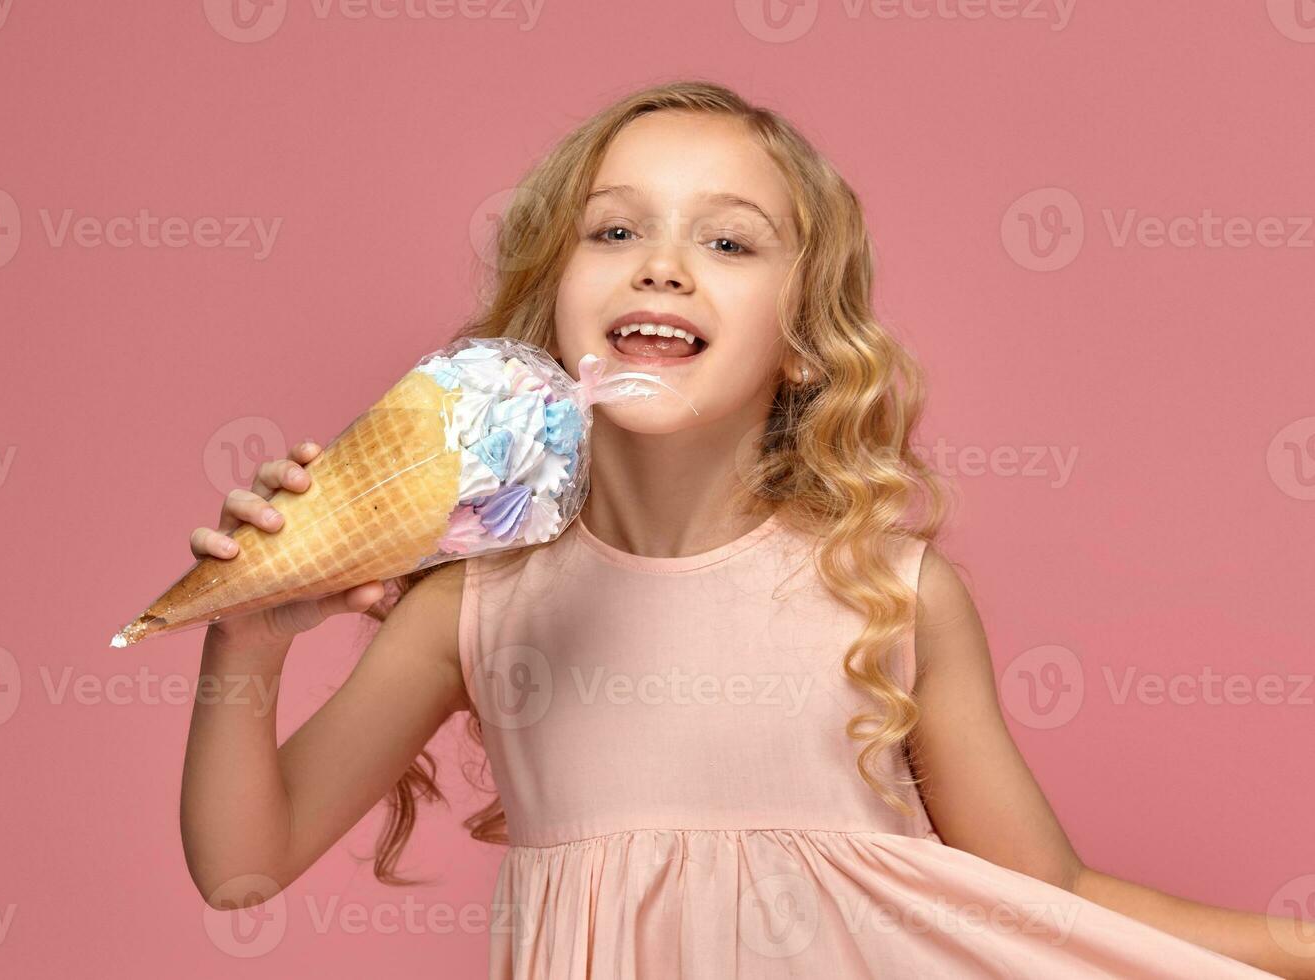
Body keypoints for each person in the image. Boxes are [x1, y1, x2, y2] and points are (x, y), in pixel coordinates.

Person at [180, 80, 1309, 978]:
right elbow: (242, 867)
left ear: (806, 338)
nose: (662, 263)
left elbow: (1046, 898)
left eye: (729, 243)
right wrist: (247, 638)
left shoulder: (889, 592)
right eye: (614, 229)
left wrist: (1288, 948)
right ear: (553, 301)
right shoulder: (472, 605)